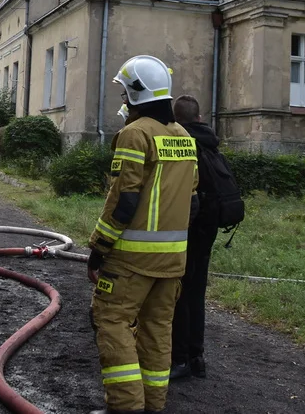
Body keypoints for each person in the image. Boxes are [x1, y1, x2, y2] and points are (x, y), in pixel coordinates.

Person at [87, 55, 199, 414]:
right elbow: (193, 203)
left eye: (124, 92)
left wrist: (99, 248)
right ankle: (153, 405)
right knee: (156, 329)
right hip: (173, 261)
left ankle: (124, 407)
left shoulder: (135, 134)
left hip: (131, 260)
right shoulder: (183, 135)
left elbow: (124, 200)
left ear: (137, 92)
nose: (122, 100)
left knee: (111, 320)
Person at [169, 95, 221, 381]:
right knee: (196, 292)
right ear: (199, 117)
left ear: (177, 121)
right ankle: (197, 357)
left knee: (180, 294)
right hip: (209, 226)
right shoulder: (211, 141)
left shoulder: (184, 142)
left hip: (188, 227)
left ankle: (181, 359)